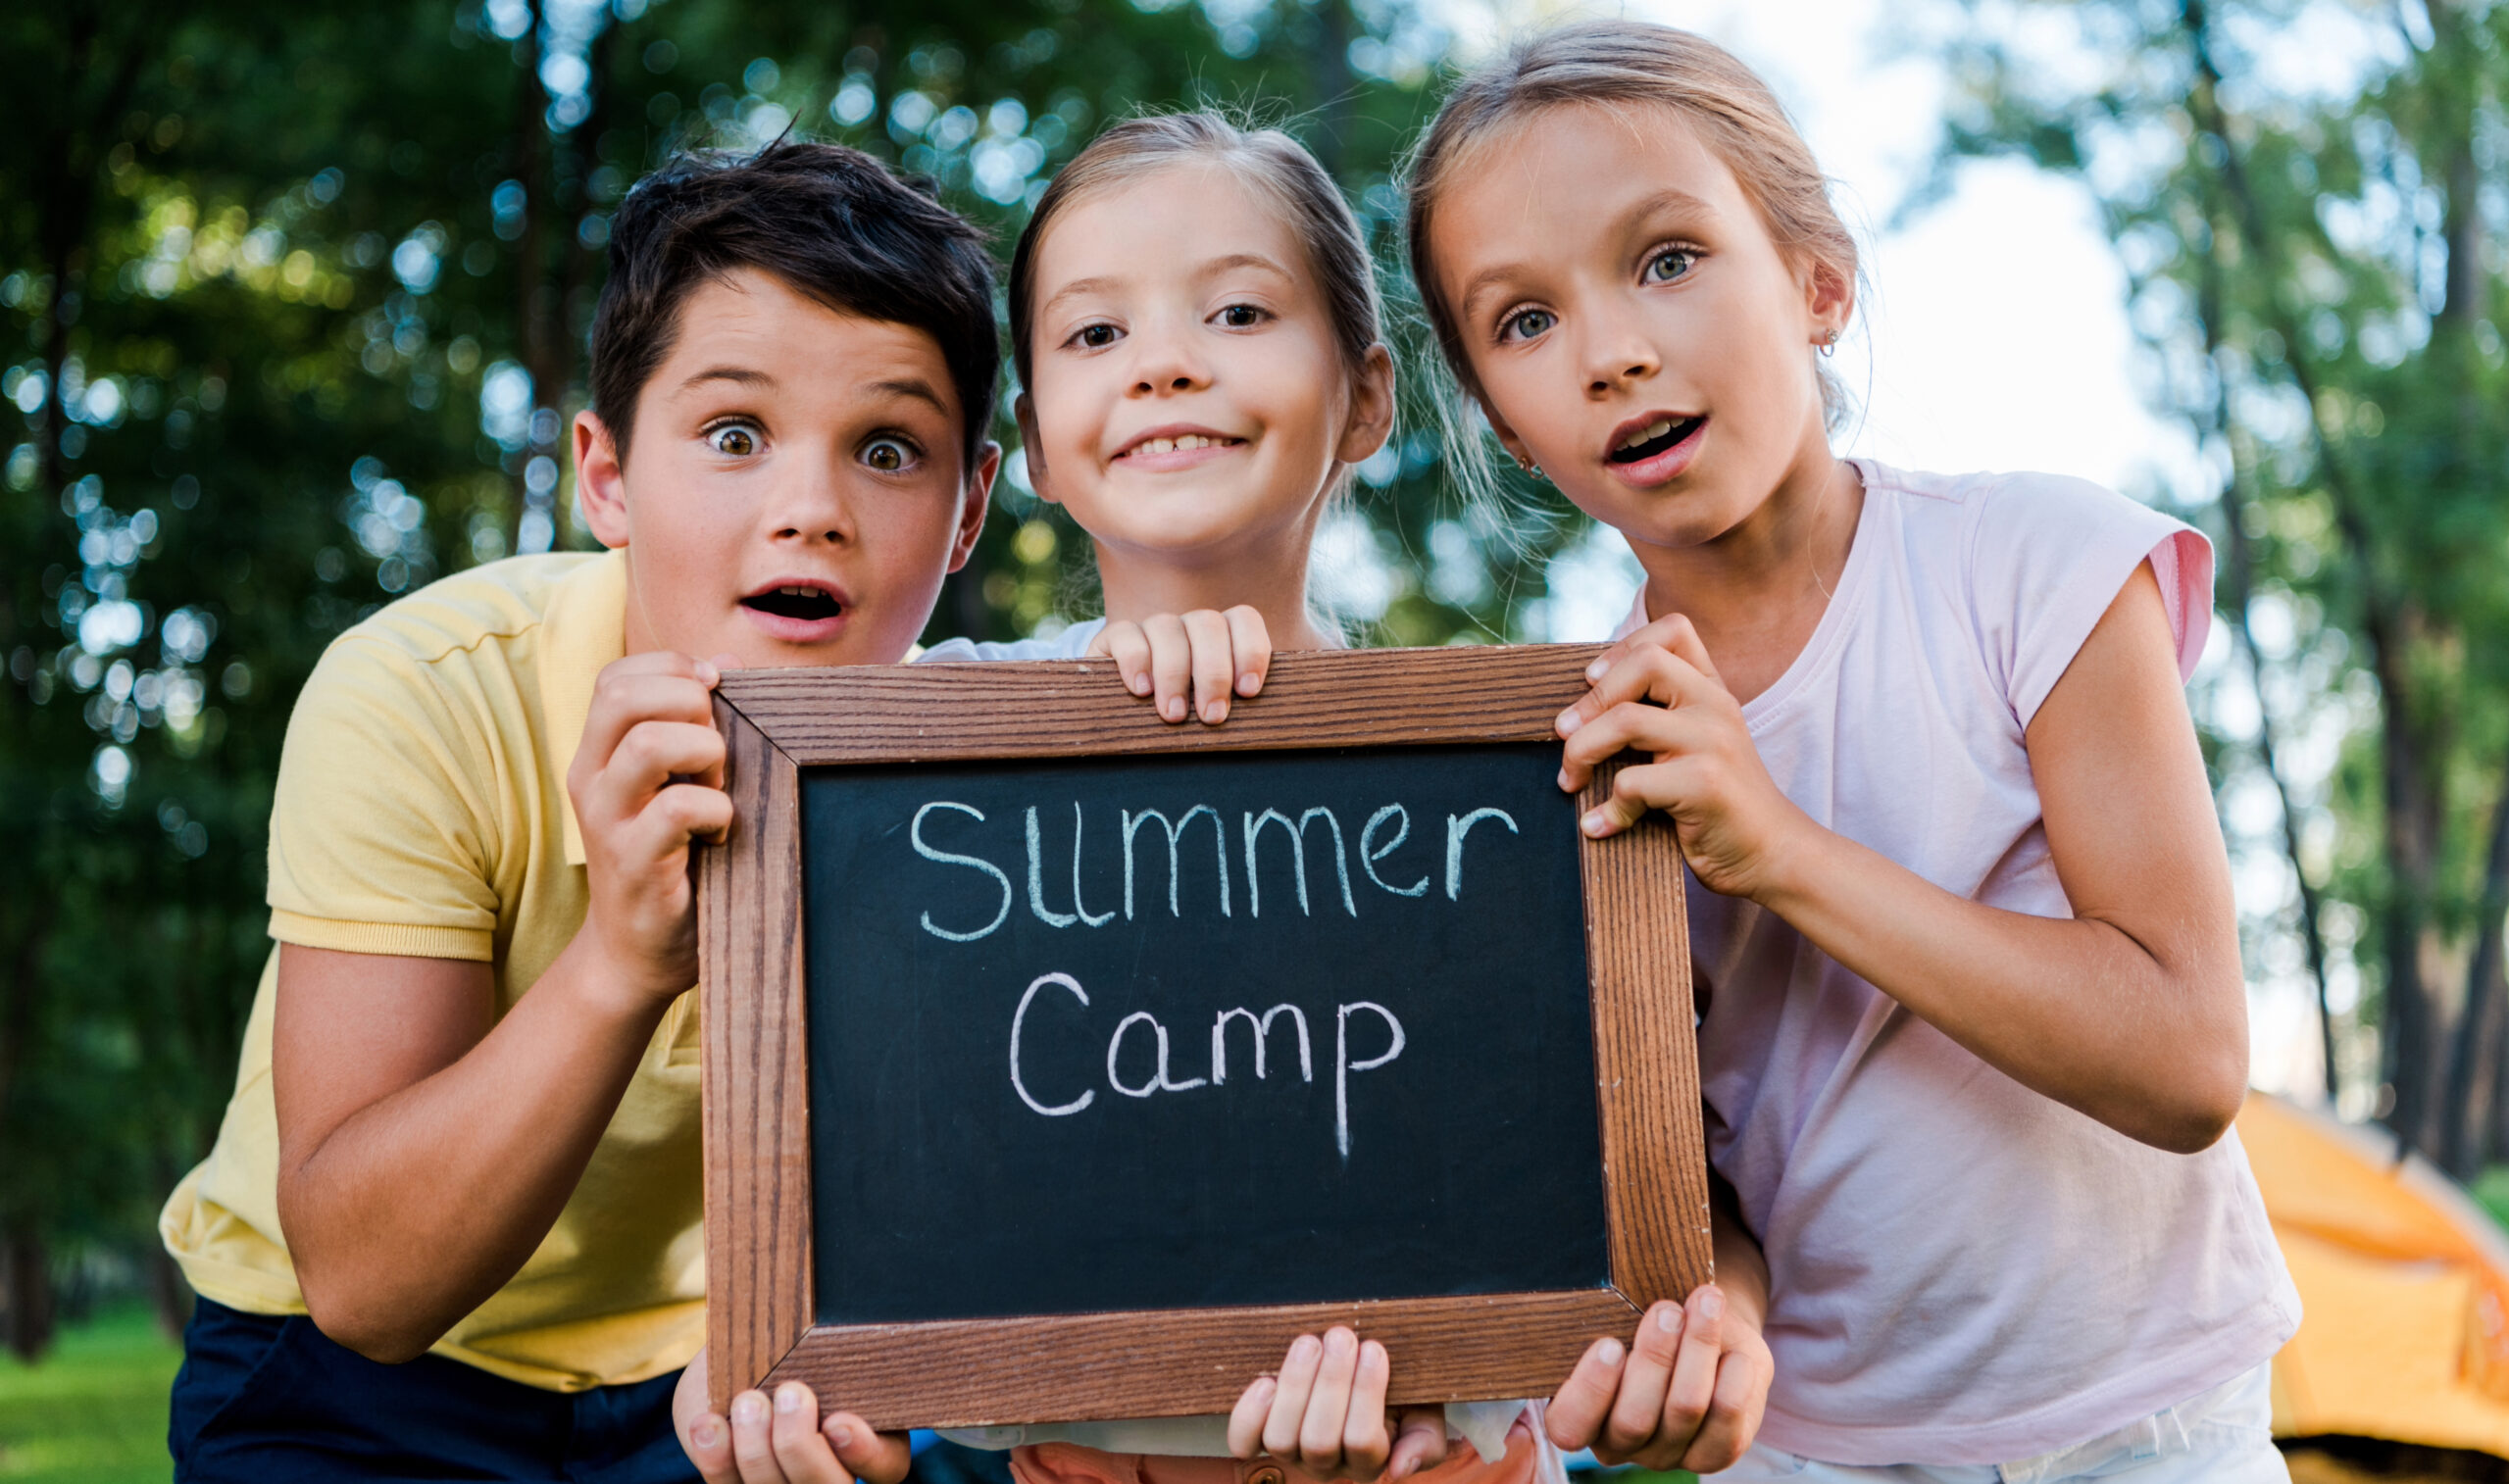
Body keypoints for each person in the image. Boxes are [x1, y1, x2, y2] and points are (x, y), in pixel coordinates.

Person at [674, 112, 1775, 1484]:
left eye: (1239, 310)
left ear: (1368, 396)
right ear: (1039, 447)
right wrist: (757, 1388)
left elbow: (1674, 1159)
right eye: (1095, 337)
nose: (1167, 366)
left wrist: (1714, 1325)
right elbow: (822, 1196)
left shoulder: (1518, 781)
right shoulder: (909, 766)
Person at [1404, 20, 2300, 1483]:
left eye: (1668, 258)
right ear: (1503, 424)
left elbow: (2187, 1054)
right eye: (1523, 320)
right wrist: (1722, 1322)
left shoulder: (2036, 567)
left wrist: (1781, 852)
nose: (1613, 350)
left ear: (1818, 280)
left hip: (2147, 1427)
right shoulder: (1570, 747)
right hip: (1812, 1450)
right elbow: (1698, 1166)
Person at [156, 140, 1012, 1482]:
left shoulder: (1000, 787)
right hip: (347, 1378)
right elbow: (364, 1285)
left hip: (727, 1368)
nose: (810, 509)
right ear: (605, 475)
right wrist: (621, 956)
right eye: (734, 435)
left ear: (971, 510)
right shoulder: (421, 696)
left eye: (889, 448)